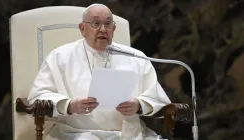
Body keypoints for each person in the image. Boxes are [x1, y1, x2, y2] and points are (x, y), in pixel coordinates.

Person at [28, 3, 171, 140]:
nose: (103, 29)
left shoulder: (135, 57)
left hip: (129, 134)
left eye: (108, 24)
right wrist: (69, 106)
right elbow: (37, 97)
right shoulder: (60, 57)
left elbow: (157, 98)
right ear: (82, 28)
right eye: (95, 23)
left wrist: (139, 105)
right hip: (76, 134)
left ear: (113, 29)